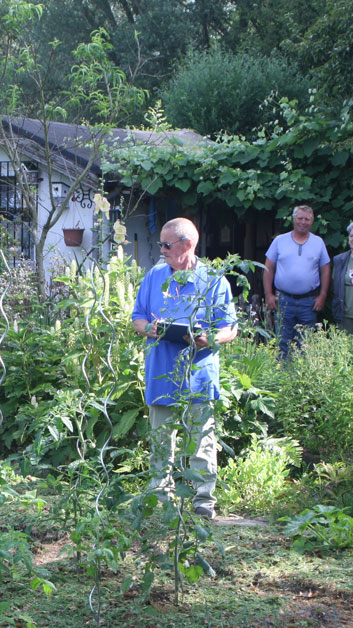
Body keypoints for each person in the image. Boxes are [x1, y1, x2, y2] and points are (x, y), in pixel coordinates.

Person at [132, 218, 238, 523]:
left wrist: (211, 338)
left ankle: (204, 500)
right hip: (161, 369)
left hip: (198, 372)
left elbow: (230, 327)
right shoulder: (154, 276)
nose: (162, 250)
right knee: (160, 439)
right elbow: (137, 317)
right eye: (161, 244)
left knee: (201, 439)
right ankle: (160, 496)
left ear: (187, 245)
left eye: (167, 245)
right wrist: (149, 329)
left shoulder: (213, 280)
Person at [263, 205, 330, 357]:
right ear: (293, 219)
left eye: (307, 219)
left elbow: (325, 270)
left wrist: (323, 295)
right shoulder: (280, 241)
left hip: (309, 301)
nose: (303, 222)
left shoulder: (318, 242)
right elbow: (268, 268)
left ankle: (302, 376)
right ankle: (282, 375)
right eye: (300, 218)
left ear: (312, 222)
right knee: (282, 340)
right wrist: (268, 294)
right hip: (283, 299)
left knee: (306, 342)